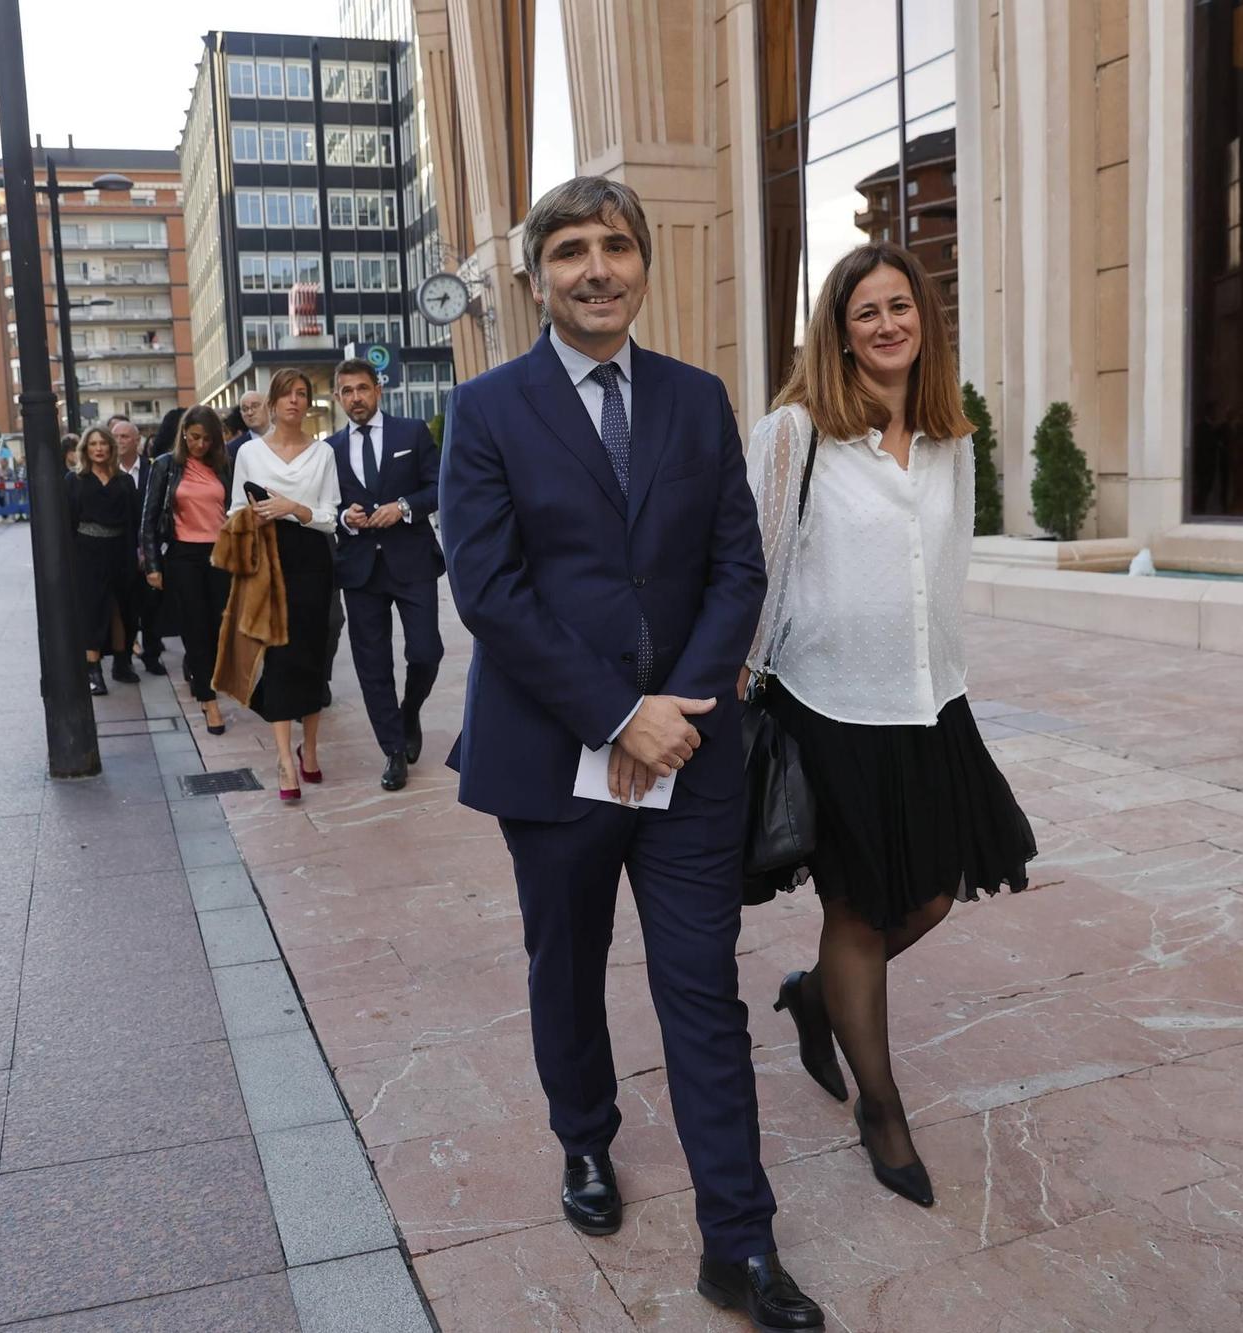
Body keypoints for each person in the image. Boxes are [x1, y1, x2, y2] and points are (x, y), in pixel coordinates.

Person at [438, 177, 820, 1331]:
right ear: (536, 275)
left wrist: (677, 709)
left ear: (644, 264)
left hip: (690, 755)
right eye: (568, 251)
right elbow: (489, 591)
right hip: (554, 759)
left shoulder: (697, 401)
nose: (594, 268)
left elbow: (735, 568)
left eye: (614, 246)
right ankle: (584, 1144)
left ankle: (737, 1245)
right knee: (566, 967)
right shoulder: (490, 408)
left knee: (700, 990)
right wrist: (619, 716)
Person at [750, 241, 1037, 1212]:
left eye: (898, 308)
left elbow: (940, 573)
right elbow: (757, 568)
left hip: (929, 702)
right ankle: (881, 1110)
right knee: (861, 910)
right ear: (836, 330)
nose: (884, 325)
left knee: (930, 897)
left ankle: (813, 994)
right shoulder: (795, 433)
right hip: (829, 706)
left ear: (924, 322)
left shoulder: (951, 437)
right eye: (863, 311)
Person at [328, 358, 443, 791]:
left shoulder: (411, 433)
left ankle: (409, 710)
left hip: (411, 560)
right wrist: (344, 517)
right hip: (359, 569)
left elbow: (438, 486)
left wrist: (404, 507)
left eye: (362, 388)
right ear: (338, 397)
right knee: (372, 665)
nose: (355, 397)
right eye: (347, 391)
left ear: (378, 389)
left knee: (426, 652)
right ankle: (393, 750)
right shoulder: (331, 449)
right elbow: (325, 504)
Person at [231, 370, 339, 801]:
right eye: (286, 394)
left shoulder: (323, 454)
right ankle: (283, 760)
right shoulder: (249, 454)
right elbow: (233, 512)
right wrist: (253, 516)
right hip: (267, 562)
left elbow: (332, 517)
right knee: (277, 660)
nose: (294, 400)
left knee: (313, 658)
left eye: (302, 394)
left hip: (313, 561)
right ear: (272, 404)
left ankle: (308, 750)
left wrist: (294, 507)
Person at [141, 404, 233, 734]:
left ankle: (199, 674)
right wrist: (153, 565)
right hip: (183, 555)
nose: (200, 445)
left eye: (208, 439)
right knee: (194, 626)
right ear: (183, 433)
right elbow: (148, 519)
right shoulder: (166, 466)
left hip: (220, 553)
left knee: (218, 626)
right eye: (195, 437)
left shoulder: (223, 465)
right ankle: (209, 702)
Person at [70, 426, 142, 693]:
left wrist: (138, 553)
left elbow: (134, 520)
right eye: (93, 444)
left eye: (103, 443)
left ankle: (122, 664)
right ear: (85, 449)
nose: (98, 448)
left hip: (120, 550)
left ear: (111, 448)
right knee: (92, 610)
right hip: (86, 553)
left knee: (121, 608)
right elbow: (69, 521)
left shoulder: (124, 481)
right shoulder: (74, 480)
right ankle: (93, 670)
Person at [111, 414, 167, 676]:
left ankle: (153, 655)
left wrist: (148, 549)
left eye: (124, 437)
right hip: (120, 553)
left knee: (153, 607)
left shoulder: (153, 468)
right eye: (115, 437)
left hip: (150, 551)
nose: (119, 441)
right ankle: (123, 660)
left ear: (136, 441)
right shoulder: (107, 471)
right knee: (124, 609)